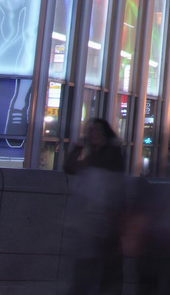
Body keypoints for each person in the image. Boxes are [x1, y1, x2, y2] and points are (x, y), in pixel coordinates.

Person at [65, 118, 126, 294]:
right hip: (92, 227)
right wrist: (79, 146)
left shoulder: (111, 156)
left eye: (97, 131)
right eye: (90, 131)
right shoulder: (97, 156)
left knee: (97, 276)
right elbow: (69, 167)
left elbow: (76, 167)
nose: (93, 135)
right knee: (91, 274)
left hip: (104, 226)